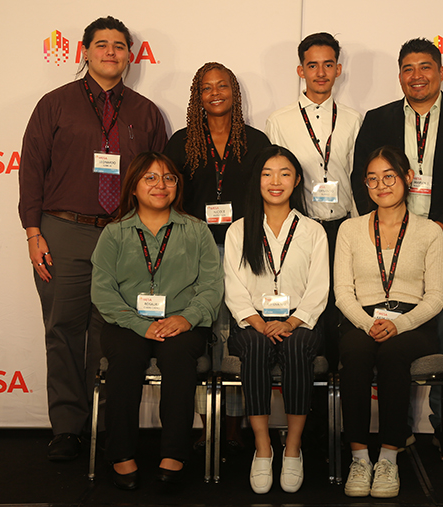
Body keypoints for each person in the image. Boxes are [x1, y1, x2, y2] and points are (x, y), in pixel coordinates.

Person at [18, 16, 167, 461]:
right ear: (84, 52)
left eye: (119, 46)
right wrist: (33, 232)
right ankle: (67, 428)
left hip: (123, 235)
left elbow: (158, 180)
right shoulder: (55, 104)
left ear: (129, 55)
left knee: (109, 334)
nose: (110, 52)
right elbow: (31, 170)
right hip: (62, 229)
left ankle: (104, 427)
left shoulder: (144, 111)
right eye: (101, 44)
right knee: (63, 329)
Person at [351, 38, 443, 454]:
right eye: (409, 68)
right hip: (386, 250)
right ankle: (400, 425)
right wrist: (383, 231)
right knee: (392, 335)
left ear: (440, 71)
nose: (417, 75)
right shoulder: (377, 119)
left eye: (425, 67)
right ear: (399, 75)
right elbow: (364, 178)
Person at [91, 152, 223, 490]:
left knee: (179, 357)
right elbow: (103, 293)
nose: (160, 185)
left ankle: (174, 453)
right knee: (125, 357)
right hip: (127, 323)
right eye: (150, 178)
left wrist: (186, 317)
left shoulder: (196, 230)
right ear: (133, 186)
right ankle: (120, 453)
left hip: (182, 323)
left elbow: (211, 286)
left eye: (168, 178)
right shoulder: (115, 233)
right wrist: (141, 325)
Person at [165, 62, 271, 450]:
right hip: (196, 251)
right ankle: (207, 421)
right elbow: (167, 197)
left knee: (236, 332)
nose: (215, 92)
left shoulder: (255, 140)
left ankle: (234, 423)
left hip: (245, 249)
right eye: (206, 87)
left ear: (234, 92)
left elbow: (269, 196)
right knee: (203, 333)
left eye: (222, 85)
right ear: (197, 95)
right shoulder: (180, 142)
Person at [335, 146, 443, 498]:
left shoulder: (429, 232)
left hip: (412, 324)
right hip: (363, 319)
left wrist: (399, 324)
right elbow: (342, 292)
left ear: (407, 179)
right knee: (353, 350)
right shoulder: (350, 230)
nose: (381, 185)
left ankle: (388, 457)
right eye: (372, 178)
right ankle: (358, 457)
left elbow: (436, 297)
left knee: (393, 354)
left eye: (389, 176)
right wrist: (367, 324)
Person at [224, 145, 329, 494]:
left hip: (299, 323)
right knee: (254, 347)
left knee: (298, 348)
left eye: (285, 173)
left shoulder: (313, 231)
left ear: (297, 180)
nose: (276, 181)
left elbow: (318, 289)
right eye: (267, 173)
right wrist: (257, 322)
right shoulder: (239, 230)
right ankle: (263, 447)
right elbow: (234, 288)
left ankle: (294, 447)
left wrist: (292, 322)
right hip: (251, 323)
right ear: (257, 180)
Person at [265, 32, 361, 366]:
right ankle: (313, 411)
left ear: (338, 70)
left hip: (345, 230)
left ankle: (339, 398)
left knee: (342, 312)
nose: (320, 72)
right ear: (300, 70)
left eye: (328, 65)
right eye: (312, 65)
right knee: (307, 315)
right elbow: (277, 181)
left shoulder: (353, 119)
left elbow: (357, 177)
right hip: (302, 232)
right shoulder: (279, 120)